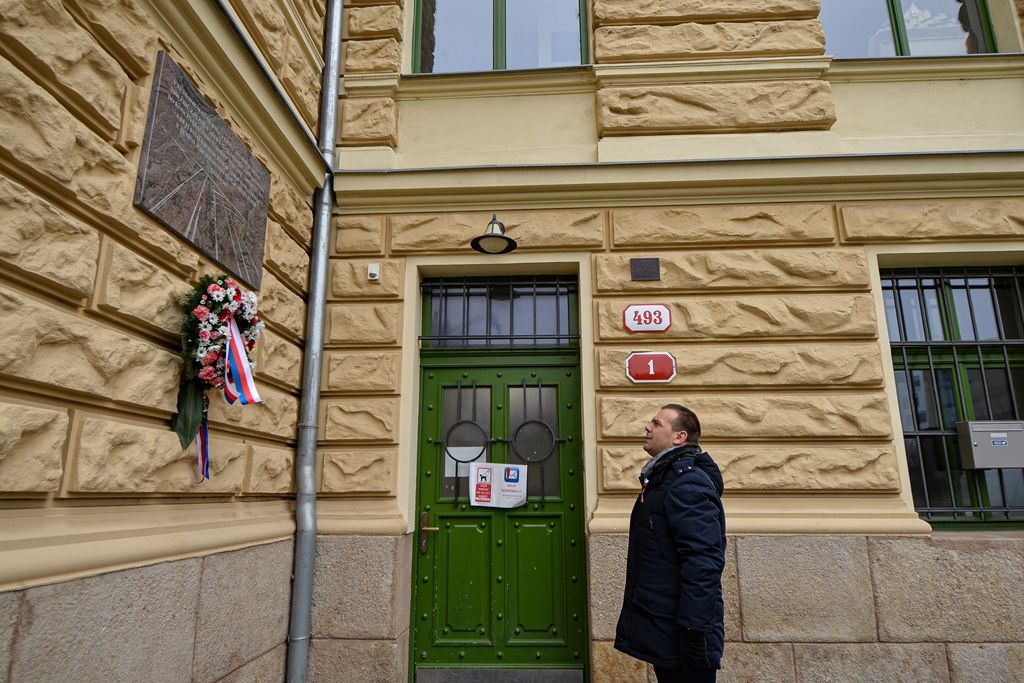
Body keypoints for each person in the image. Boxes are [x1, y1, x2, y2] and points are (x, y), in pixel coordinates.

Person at [614, 404, 726, 683]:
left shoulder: (686, 483)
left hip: (685, 632)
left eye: (657, 423)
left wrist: (692, 632)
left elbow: (703, 561)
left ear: (679, 437)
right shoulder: (663, 479)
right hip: (668, 627)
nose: (647, 427)